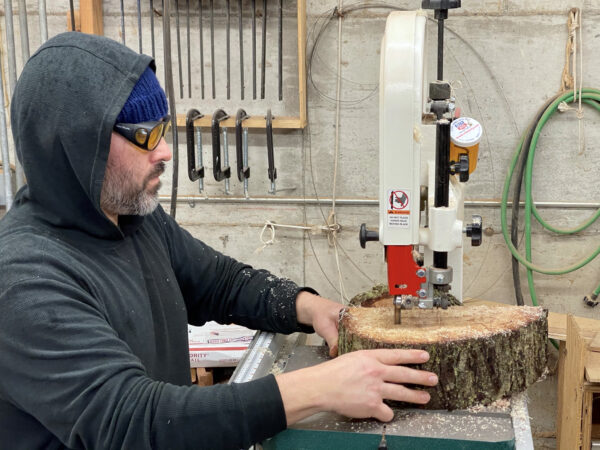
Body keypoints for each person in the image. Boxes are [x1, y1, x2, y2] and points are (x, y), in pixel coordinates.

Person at [0, 32, 438, 449]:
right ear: (79, 146)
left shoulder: (130, 216)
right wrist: (316, 389)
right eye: (145, 135)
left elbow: (219, 283)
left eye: (164, 128)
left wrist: (311, 308)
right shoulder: (25, 280)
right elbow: (132, 423)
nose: (166, 151)